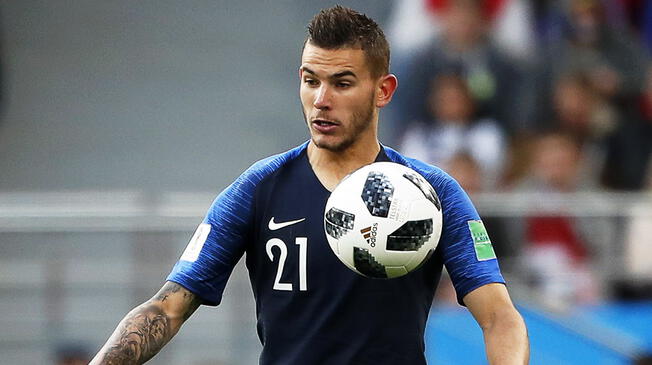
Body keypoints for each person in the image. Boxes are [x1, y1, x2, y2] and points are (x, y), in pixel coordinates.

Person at [90, 6, 528, 365]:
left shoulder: (430, 193)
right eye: (310, 80)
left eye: (342, 83)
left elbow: (499, 318)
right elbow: (166, 308)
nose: (321, 99)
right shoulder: (259, 188)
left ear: (384, 90)